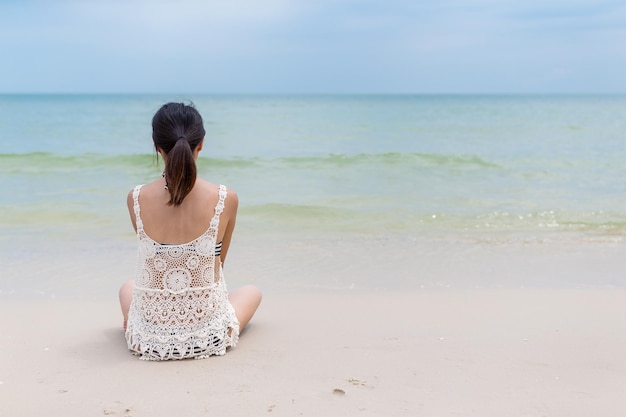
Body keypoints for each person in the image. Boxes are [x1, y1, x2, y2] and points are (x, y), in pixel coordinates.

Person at [118, 102, 262, 360]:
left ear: (156, 145)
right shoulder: (225, 198)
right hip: (207, 338)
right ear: (202, 143)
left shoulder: (135, 198)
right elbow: (218, 264)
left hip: (150, 342)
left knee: (127, 288)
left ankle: (136, 326)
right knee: (253, 292)